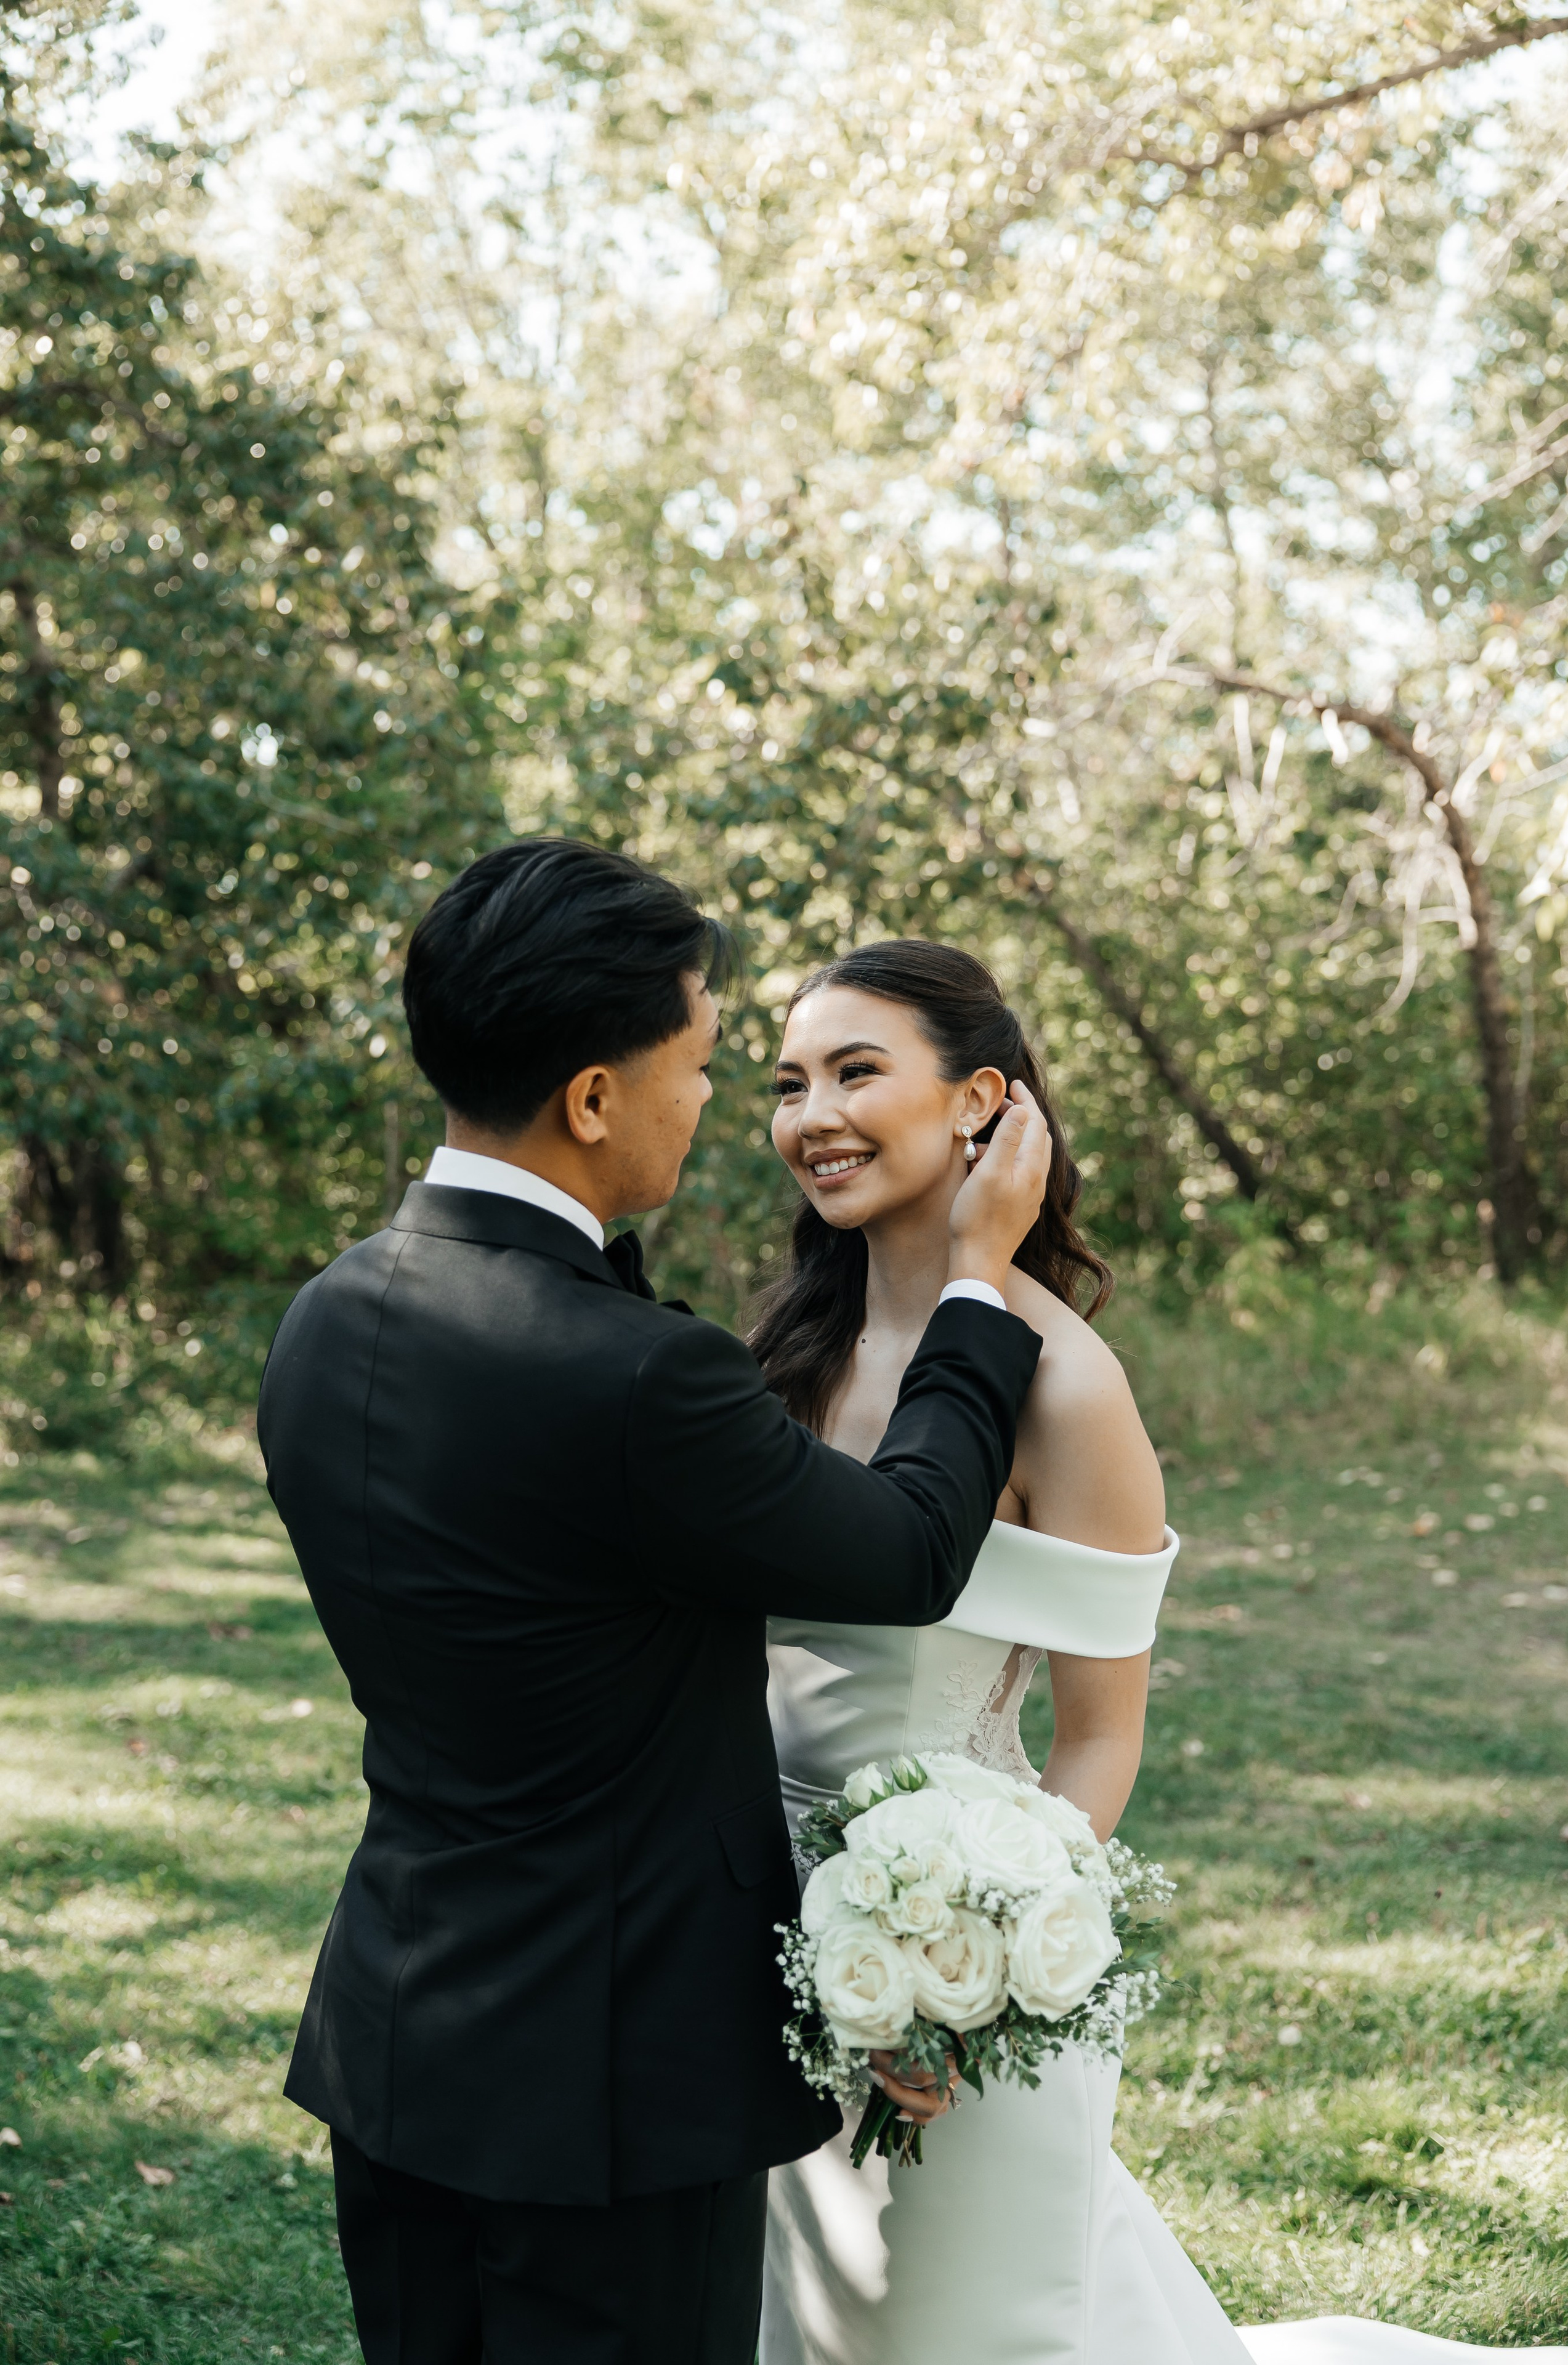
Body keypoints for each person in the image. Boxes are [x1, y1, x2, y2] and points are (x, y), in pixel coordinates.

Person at [256, 841, 1053, 2365]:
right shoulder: (631, 1372)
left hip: (400, 2040)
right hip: (610, 2090)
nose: (720, 1106)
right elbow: (902, 1551)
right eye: (702, 1063)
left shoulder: (328, 1316)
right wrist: (975, 1280)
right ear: (593, 1097)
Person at [754, 940, 1568, 2365]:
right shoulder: (777, 1356)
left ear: (978, 1103)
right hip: (759, 1943)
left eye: (854, 1071)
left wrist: (963, 1973)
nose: (810, 1114)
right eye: (785, 1082)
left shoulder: (1065, 1387)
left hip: (953, 1968)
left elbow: (1098, 1734)